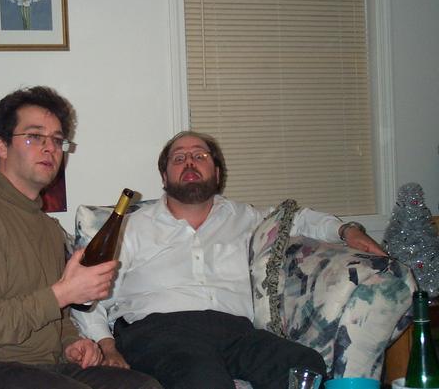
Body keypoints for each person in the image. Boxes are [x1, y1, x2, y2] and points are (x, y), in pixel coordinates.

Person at [71, 130, 385, 389]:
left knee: (304, 366)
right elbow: (87, 294)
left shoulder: (245, 217)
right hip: (158, 332)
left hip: (235, 333)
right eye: (178, 158)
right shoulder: (130, 227)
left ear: (217, 173)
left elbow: (299, 219)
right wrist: (107, 346)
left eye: (200, 156)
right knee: (203, 379)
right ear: (164, 176)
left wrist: (346, 230)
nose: (189, 161)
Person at [0, 86, 161, 389]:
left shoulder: (48, 229)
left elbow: (54, 317)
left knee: (143, 386)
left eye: (57, 140)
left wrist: (72, 343)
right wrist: (63, 293)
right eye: (35, 136)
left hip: (41, 368)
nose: (50, 148)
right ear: (1, 146)